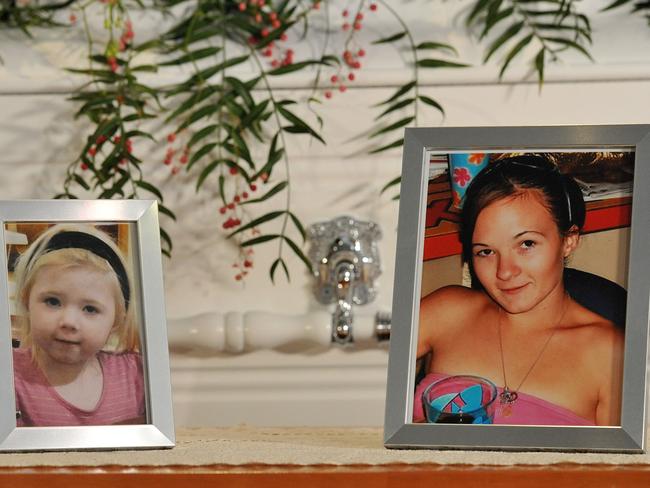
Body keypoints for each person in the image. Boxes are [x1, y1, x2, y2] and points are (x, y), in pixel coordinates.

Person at [414, 155, 624, 426]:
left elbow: (621, 467)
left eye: (526, 244)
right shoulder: (445, 311)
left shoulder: (610, 354)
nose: (505, 272)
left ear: (568, 241)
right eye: (486, 251)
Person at [12, 224, 146, 426]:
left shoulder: (135, 374)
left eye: (90, 309)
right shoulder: (9, 373)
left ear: (117, 320)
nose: (68, 322)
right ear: (26, 302)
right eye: (52, 301)